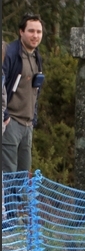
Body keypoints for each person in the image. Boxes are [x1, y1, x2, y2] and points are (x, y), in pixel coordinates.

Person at [3, 13, 45, 174]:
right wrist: (5, 116)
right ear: (21, 32)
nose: (35, 36)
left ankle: (22, 200)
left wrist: (34, 117)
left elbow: (36, 89)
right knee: (9, 175)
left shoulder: (36, 56)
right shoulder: (10, 54)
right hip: (10, 123)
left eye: (39, 32)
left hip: (28, 126)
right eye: (31, 31)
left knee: (23, 175)